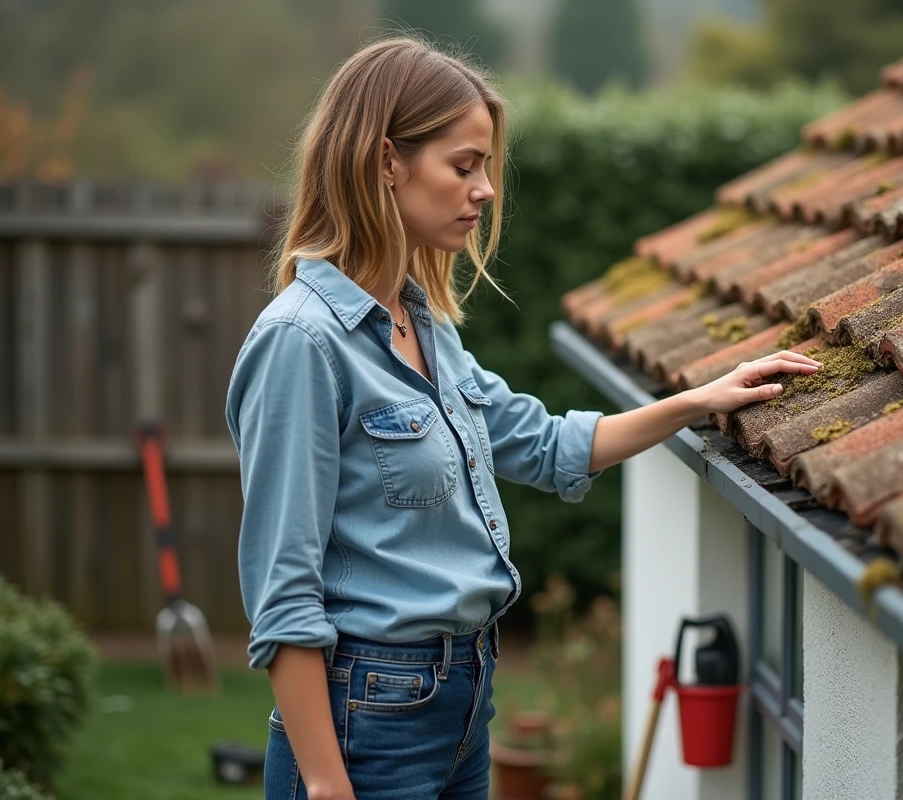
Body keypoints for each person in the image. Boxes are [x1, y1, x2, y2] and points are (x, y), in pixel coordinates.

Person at [224, 36, 822, 800]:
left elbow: (543, 443)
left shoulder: (423, 325)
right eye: (464, 165)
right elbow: (282, 594)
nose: (485, 191)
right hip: (364, 725)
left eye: (486, 170)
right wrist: (326, 784)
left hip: (464, 708)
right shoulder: (301, 344)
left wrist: (698, 400)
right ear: (385, 161)